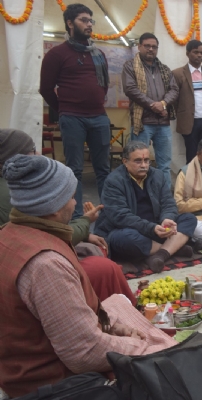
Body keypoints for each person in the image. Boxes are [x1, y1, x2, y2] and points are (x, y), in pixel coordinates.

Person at [0, 154, 176, 398]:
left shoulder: (11, 232)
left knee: (118, 305)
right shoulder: (45, 265)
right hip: (52, 381)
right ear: (53, 206)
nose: (75, 204)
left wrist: (114, 327)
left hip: (29, 358)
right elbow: (84, 353)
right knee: (168, 355)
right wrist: (144, 347)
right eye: (71, 197)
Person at [0, 129, 136, 304]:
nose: (75, 204)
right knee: (104, 267)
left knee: (98, 249)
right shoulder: (15, 192)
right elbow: (50, 235)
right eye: (71, 198)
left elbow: (44, 228)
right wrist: (86, 220)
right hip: (30, 268)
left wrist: (86, 232)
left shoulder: (17, 194)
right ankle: (122, 308)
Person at [39, 3, 111, 219]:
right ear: (70, 23)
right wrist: (64, 109)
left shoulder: (98, 54)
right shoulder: (57, 54)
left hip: (99, 117)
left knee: (104, 170)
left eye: (91, 20)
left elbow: (104, 84)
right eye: (83, 20)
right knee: (75, 170)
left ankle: (111, 214)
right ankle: (79, 218)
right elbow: (45, 89)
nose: (89, 24)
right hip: (72, 118)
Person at [94, 141, 197, 273]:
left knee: (189, 218)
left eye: (146, 160)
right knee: (124, 239)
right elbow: (121, 217)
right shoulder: (113, 181)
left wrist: (167, 218)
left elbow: (168, 203)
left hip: (156, 228)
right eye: (138, 161)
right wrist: (152, 228)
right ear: (125, 161)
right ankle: (174, 248)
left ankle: (159, 255)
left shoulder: (157, 175)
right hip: (127, 230)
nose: (144, 165)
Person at [122, 33, 178, 186]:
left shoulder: (165, 69)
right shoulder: (130, 66)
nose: (150, 49)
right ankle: (140, 198)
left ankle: (165, 198)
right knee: (139, 164)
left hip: (163, 123)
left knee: (164, 165)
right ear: (139, 47)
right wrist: (155, 105)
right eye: (147, 46)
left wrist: (163, 103)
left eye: (154, 47)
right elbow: (130, 89)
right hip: (143, 122)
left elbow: (174, 89)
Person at [172, 40, 202, 164]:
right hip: (188, 122)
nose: (199, 55)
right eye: (195, 52)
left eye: (201, 53)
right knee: (191, 156)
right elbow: (174, 99)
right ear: (187, 53)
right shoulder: (177, 73)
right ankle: (191, 182)